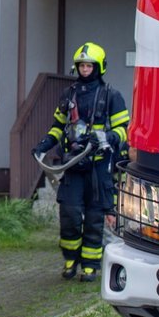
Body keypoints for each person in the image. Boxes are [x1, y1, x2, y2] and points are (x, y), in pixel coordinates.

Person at [31, 42, 129, 282]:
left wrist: (105, 138)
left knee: (95, 219)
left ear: (99, 67)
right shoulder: (69, 95)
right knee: (70, 215)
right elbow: (58, 127)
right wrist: (44, 145)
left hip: (98, 166)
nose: (85, 69)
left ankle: (90, 266)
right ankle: (70, 260)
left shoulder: (111, 96)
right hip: (73, 166)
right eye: (82, 65)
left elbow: (124, 131)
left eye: (89, 65)